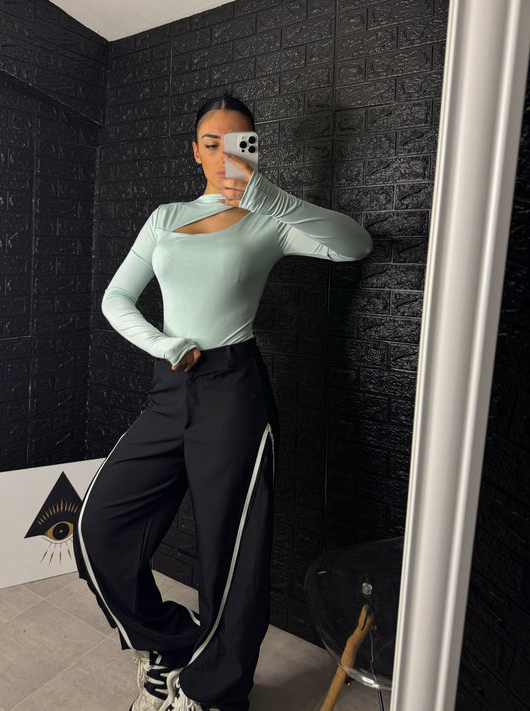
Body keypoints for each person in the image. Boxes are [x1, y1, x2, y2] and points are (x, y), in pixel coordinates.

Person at [74, 94, 372, 711]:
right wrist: (163, 344)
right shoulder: (166, 216)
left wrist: (274, 200)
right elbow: (115, 298)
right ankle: (168, 644)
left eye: (240, 143)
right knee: (97, 527)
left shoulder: (271, 219)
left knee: (230, 555)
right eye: (212, 142)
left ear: (256, 150)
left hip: (235, 392)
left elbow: (354, 246)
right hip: (170, 386)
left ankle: (214, 693)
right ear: (195, 150)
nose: (225, 155)